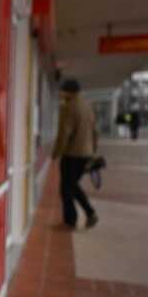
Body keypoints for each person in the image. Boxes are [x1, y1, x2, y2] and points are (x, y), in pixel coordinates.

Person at [52, 79, 98, 229]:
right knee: (71, 186)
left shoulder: (68, 107)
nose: (60, 94)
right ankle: (85, 215)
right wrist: (93, 153)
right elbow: (94, 132)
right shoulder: (87, 106)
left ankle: (74, 219)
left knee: (67, 188)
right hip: (86, 153)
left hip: (72, 154)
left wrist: (56, 152)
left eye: (62, 91)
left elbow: (64, 133)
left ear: (69, 92)